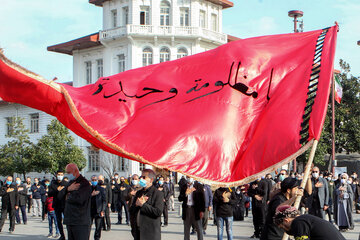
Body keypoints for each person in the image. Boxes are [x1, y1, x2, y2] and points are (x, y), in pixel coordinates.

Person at [274, 205, 346, 240]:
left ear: (286, 220)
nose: (284, 230)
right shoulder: (306, 219)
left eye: (282, 227)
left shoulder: (298, 222)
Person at [129, 169, 164, 240]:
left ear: (151, 180)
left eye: (144, 177)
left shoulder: (158, 194)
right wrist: (136, 205)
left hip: (150, 233)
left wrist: (143, 205)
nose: (141, 179)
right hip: (138, 231)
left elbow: (158, 212)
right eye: (141, 177)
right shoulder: (139, 193)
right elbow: (131, 210)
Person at [61, 163, 92, 240]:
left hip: (80, 221)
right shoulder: (70, 182)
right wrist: (67, 190)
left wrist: (67, 197)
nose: (67, 175)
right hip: (70, 220)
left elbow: (79, 199)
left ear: (75, 171)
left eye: (69, 172)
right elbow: (59, 195)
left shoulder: (84, 183)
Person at [48, 170, 68, 240]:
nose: (60, 176)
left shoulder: (66, 184)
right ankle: (62, 235)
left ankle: (70, 235)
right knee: (58, 221)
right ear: (56, 175)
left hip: (65, 205)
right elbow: (49, 194)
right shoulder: (53, 184)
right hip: (57, 205)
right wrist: (56, 190)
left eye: (61, 174)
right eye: (58, 174)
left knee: (67, 221)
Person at [90, 175, 107, 240]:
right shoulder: (88, 189)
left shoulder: (101, 189)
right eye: (93, 180)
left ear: (97, 181)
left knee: (98, 227)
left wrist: (103, 210)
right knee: (88, 226)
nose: (94, 181)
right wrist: (91, 195)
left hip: (98, 210)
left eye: (95, 180)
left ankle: (97, 238)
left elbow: (104, 201)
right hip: (90, 211)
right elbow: (85, 199)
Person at [128, 174, 142, 239]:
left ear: (138, 180)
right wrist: (130, 194)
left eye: (135, 179)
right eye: (133, 179)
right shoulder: (129, 187)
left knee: (138, 226)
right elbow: (123, 196)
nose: (134, 180)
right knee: (133, 227)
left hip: (139, 210)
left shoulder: (141, 188)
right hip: (131, 209)